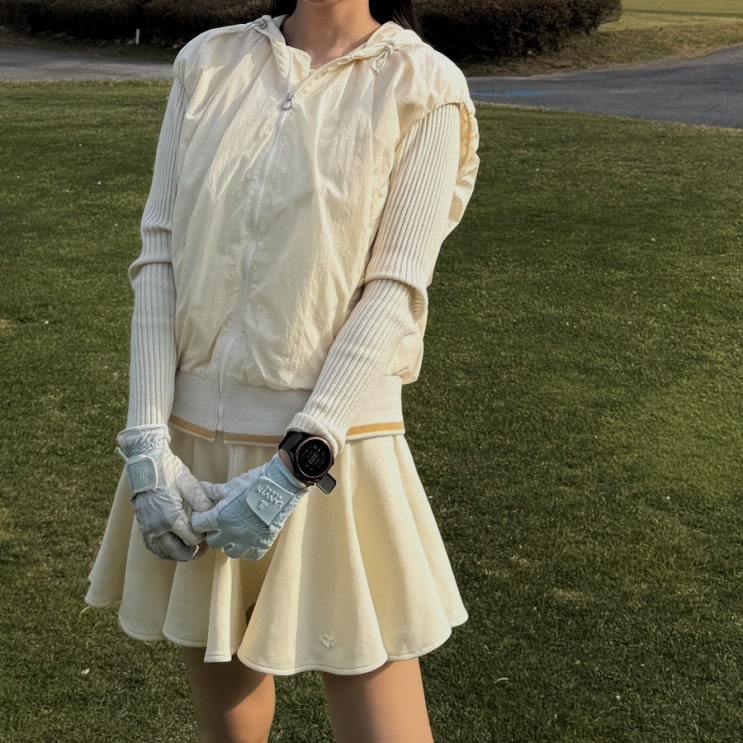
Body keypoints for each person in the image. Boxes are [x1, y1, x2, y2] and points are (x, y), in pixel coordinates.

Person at [86, 0, 479, 740]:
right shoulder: (208, 62)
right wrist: (145, 444)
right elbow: (159, 252)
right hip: (191, 456)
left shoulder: (424, 84)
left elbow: (394, 287)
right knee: (228, 723)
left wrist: (296, 464)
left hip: (336, 454)